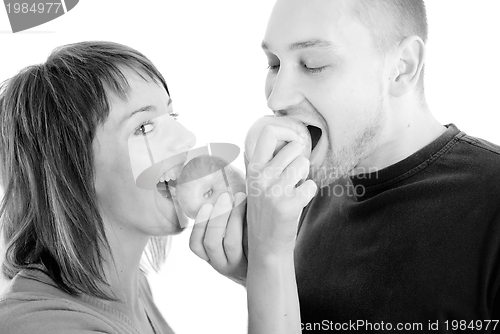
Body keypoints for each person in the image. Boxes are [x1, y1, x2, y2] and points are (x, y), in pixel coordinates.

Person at [189, 0, 500, 332]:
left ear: (402, 67)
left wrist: (269, 257)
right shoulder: (297, 195)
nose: (276, 99)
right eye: (274, 63)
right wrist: (257, 271)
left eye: (313, 64)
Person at [0, 41, 304, 334]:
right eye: (144, 127)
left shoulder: (130, 287)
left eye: (171, 115)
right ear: (69, 170)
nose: (186, 137)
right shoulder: (43, 325)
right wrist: (270, 254)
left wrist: (252, 273)